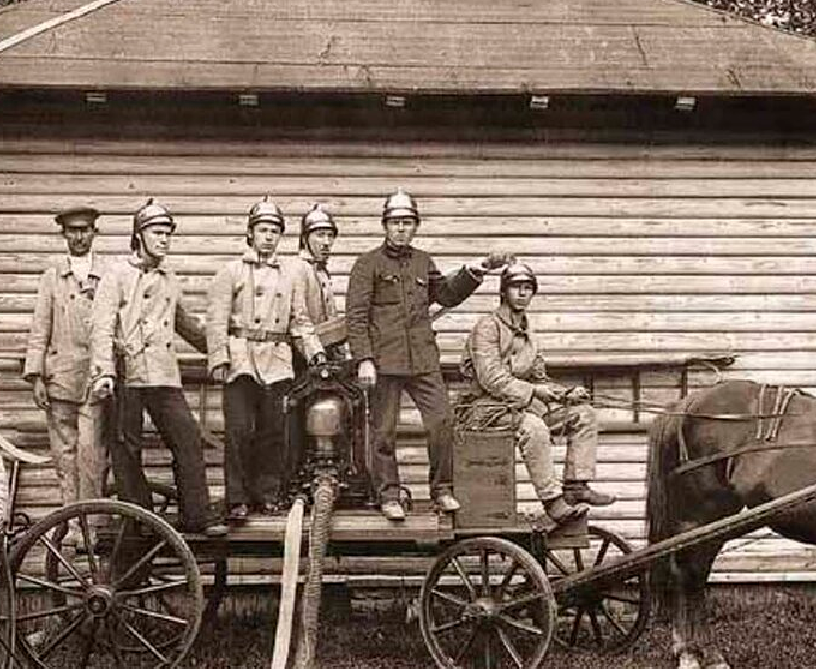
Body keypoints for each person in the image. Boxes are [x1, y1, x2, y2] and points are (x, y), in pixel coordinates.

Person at [346, 188, 510, 520]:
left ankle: (442, 490)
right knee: (383, 432)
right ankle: (388, 495)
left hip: (422, 360)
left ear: (416, 226)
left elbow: (446, 295)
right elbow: (357, 316)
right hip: (384, 361)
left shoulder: (423, 261)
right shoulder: (367, 264)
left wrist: (474, 269)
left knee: (441, 422)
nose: (401, 228)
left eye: (407, 222)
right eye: (395, 222)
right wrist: (364, 358)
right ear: (385, 225)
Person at [91, 199, 225, 536]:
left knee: (189, 439)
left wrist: (225, 349)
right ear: (139, 236)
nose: (164, 240)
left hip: (164, 374)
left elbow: (186, 324)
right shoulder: (115, 276)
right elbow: (102, 328)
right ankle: (139, 521)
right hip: (126, 375)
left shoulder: (169, 277)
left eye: (168, 234)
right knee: (126, 451)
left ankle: (196, 517)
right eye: (157, 233)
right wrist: (104, 372)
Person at [460, 263, 614, 524]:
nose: (522, 293)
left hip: (522, 406)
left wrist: (565, 394)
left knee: (583, 415)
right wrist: (534, 391)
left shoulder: (529, 333)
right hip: (485, 409)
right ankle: (552, 500)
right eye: (516, 287)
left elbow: (540, 377)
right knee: (534, 428)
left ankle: (576, 485)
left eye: (528, 288)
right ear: (503, 292)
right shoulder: (487, 327)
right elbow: (491, 378)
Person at [207, 198, 326, 520]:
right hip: (241, 359)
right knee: (240, 432)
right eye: (263, 230)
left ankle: (268, 493)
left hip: (277, 360)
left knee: (274, 433)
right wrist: (219, 359)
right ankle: (237, 499)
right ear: (251, 233)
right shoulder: (230, 272)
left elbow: (300, 321)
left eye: (274, 231)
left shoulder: (289, 276)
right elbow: (216, 320)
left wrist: (314, 350)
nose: (269, 236)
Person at [24, 206, 107, 521]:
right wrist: (36, 378)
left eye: (85, 229)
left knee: (91, 453)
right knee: (64, 456)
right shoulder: (52, 278)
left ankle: (94, 526)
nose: (79, 236)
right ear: (64, 235)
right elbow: (39, 329)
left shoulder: (108, 274)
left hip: (96, 379)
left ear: (94, 233)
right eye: (73, 230)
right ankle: (71, 523)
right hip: (59, 379)